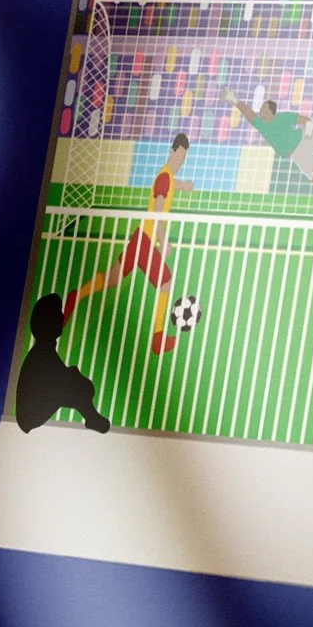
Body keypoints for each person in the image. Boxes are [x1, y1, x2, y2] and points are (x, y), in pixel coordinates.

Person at [62, 131, 190, 354]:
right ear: (171, 151)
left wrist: (184, 185)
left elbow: (170, 185)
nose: (180, 161)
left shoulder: (167, 176)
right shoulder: (164, 177)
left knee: (112, 279)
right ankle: (158, 338)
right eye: (178, 156)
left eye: (183, 158)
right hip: (146, 241)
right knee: (166, 282)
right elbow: (158, 211)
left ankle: (76, 296)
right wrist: (163, 241)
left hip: (138, 238)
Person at [15, 294, 109, 432]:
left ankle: (92, 417)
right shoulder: (42, 354)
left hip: (34, 412)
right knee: (77, 383)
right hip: (31, 417)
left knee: (75, 381)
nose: (62, 317)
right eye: (57, 314)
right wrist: (76, 378)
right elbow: (65, 381)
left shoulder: (44, 351)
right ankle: (92, 417)